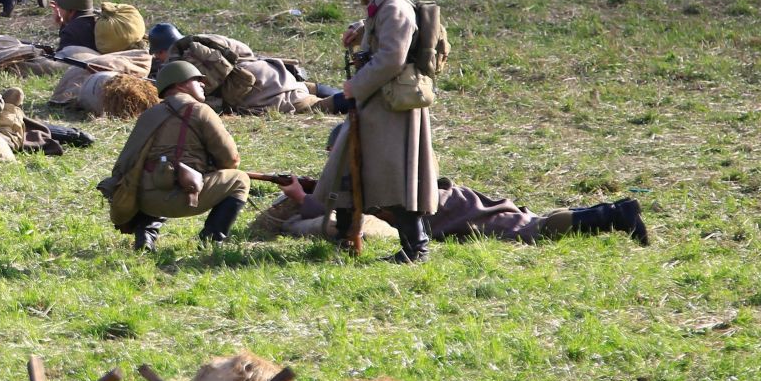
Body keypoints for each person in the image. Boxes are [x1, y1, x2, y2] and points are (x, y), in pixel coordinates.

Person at [264, 131, 649, 246]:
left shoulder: (365, 172)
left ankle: (616, 215)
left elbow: (339, 213)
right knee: (530, 226)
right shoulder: (370, 165)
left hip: (451, 209)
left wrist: (300, 197)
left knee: (533, 231)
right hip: (448, 207)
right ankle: (615, 212)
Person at [319, 0, 437, 261]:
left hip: (392, 107)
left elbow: (391, 59)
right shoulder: (385, 6)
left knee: (395, 177)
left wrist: (354, 86)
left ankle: (416, 249)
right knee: (366, 169)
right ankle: (348, 237)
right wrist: (362, 29)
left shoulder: (394, 7)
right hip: (383, 104)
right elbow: (383, 32)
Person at [98, 61, 249, 250]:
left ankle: (146, 234)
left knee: (157, 173)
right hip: (185, 196)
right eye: (197, 80)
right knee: (239, 179)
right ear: (180, 84)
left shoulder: (149, 115)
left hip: (143, 200)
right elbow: (231, 159)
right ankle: (212, 240)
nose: (203, 84)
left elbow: (126, 162)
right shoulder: (201, 111)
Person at [149, 24, 337, 115]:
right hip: (269, 71)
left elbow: (200, 104)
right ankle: (353, 92)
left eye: (157, 55)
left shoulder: (177, 74)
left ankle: (359, 97)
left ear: (163, 50)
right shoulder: (200, 39)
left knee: (315, 105)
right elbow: (244, 50)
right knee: (311, 88)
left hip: (260, 94)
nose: (157, 59)